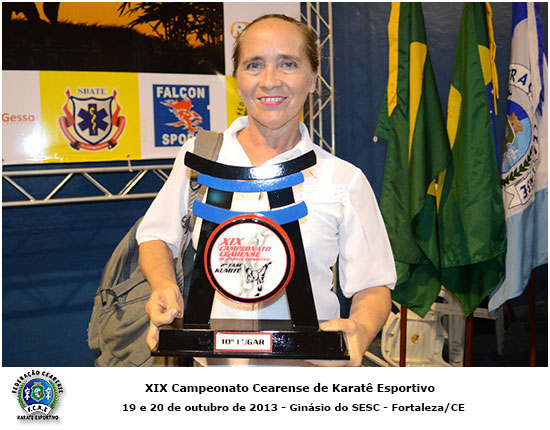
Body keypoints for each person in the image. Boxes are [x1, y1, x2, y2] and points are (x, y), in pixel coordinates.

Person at [136, 14, 397, 366]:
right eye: (254, 65)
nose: (270, 81)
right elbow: (156, 237)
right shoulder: (199, 157)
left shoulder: (343, 178)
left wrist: (361, 330)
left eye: (288, 64)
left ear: (313, 77)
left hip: (307, 376)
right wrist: (163, 285)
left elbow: (373, 283)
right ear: (237, 78)